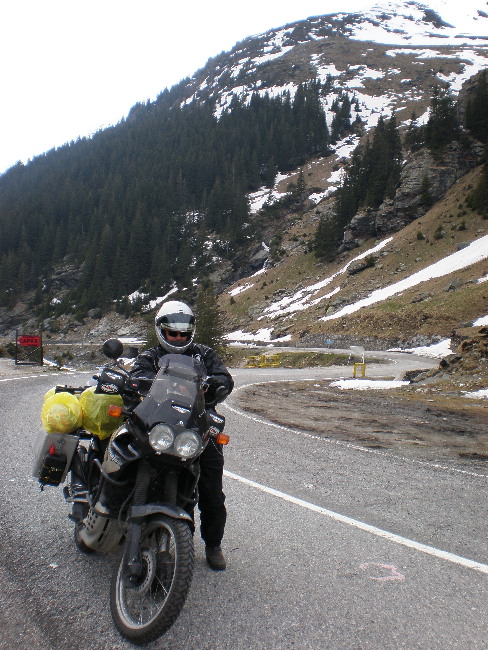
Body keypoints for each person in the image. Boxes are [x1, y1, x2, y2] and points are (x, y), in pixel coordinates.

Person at [129, 300, 234, 571]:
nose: (178, 337)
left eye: (183, 332)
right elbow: (137, 375)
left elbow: (224, 378)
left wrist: (216, 385)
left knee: (211, 489)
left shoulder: (204, 354)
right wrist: (142, 382)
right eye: (172, 332)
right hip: (161, 424)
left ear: (191, 332)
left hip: (197, 426)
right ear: (160, 330)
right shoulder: (149, 357)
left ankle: (213, 545)